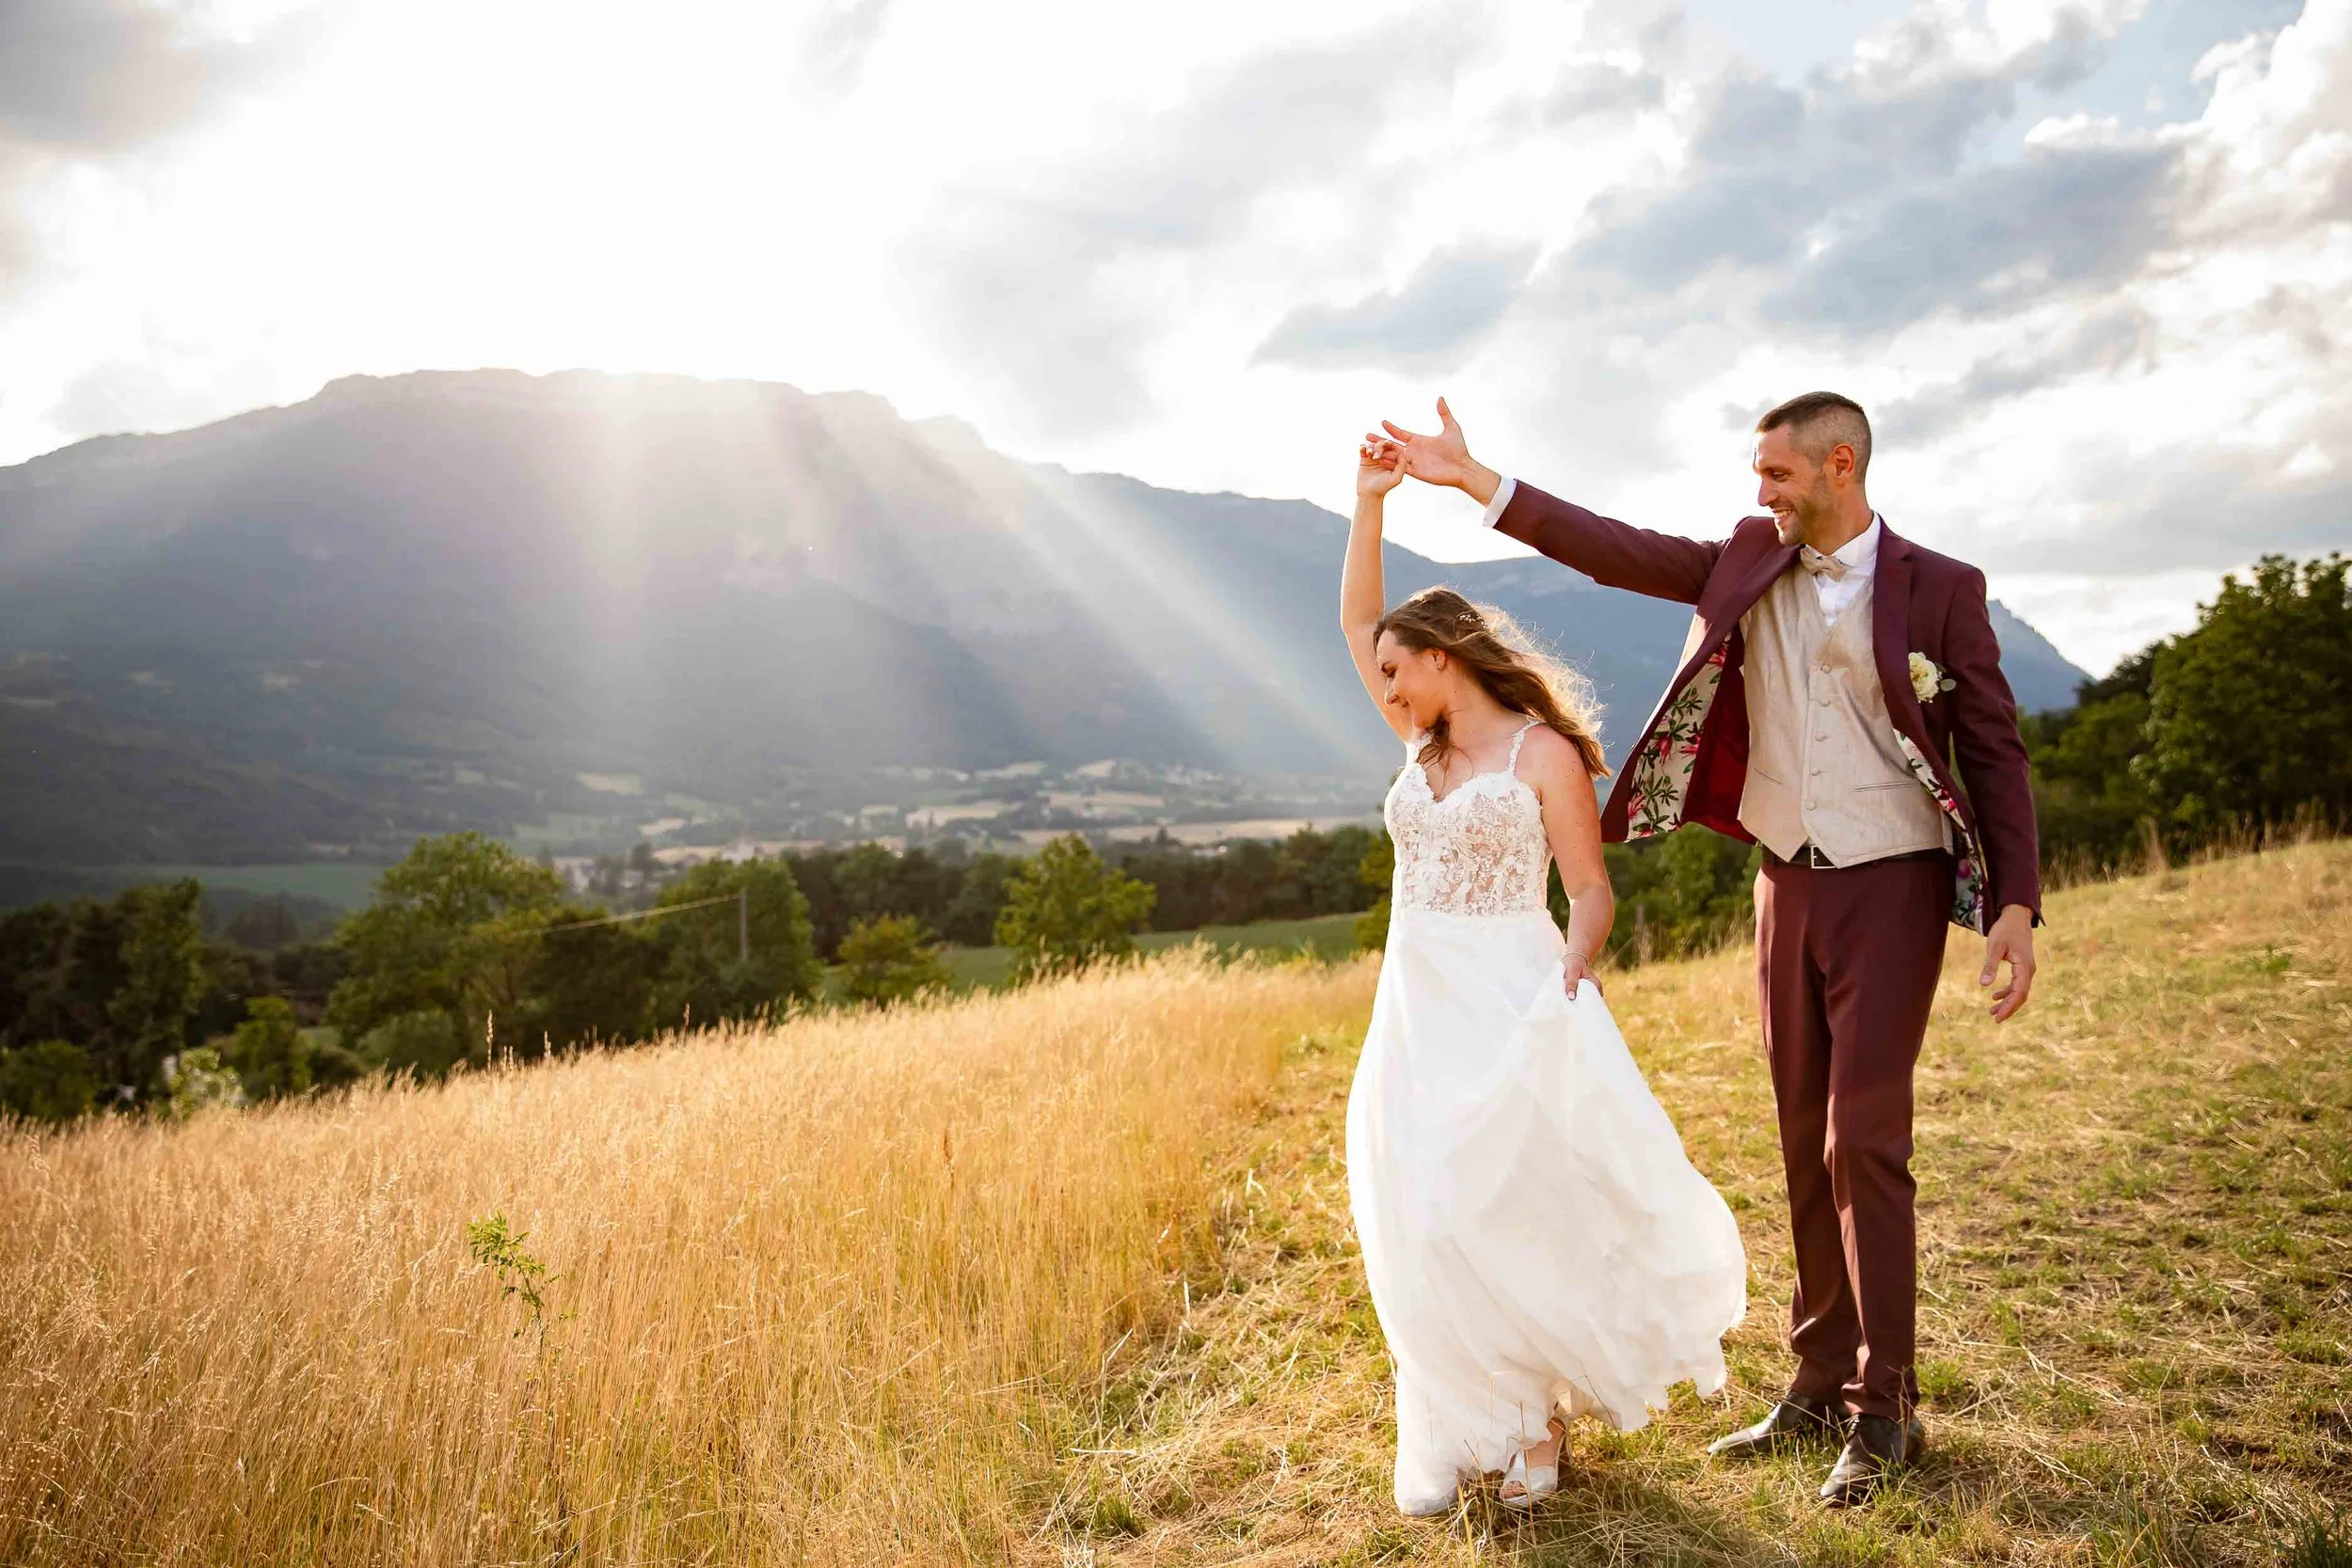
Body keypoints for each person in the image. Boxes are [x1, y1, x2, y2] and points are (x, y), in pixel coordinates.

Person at [1370, 391, 2042, 1506]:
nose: (1759, 490)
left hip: (1895, 877)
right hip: (1784, 880)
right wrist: (1475, 478)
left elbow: (1992, 745)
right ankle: (1816, 1382)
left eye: (1776, 473)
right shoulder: (1747, 556)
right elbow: (1612, 549)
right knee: (1800, 1136)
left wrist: (2014, 900)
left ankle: (1886, 1405)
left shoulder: (1940, 587)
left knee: (1862, 1139)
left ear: (1839, 465)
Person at [1341, 433, 1748, 1517]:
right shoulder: (1418, 745)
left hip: (1511, 993)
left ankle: (1536, 1418)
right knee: (1421, 1206)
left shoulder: (1543, 754)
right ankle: (1472, 1409)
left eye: (1396, 667)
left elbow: (1591, 891)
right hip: (1415, 1006)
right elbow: (1354, 621)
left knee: (1504, 1201)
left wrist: (1573, 967)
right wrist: (1368, 502)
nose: (1384, 684)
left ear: (1441, 656)